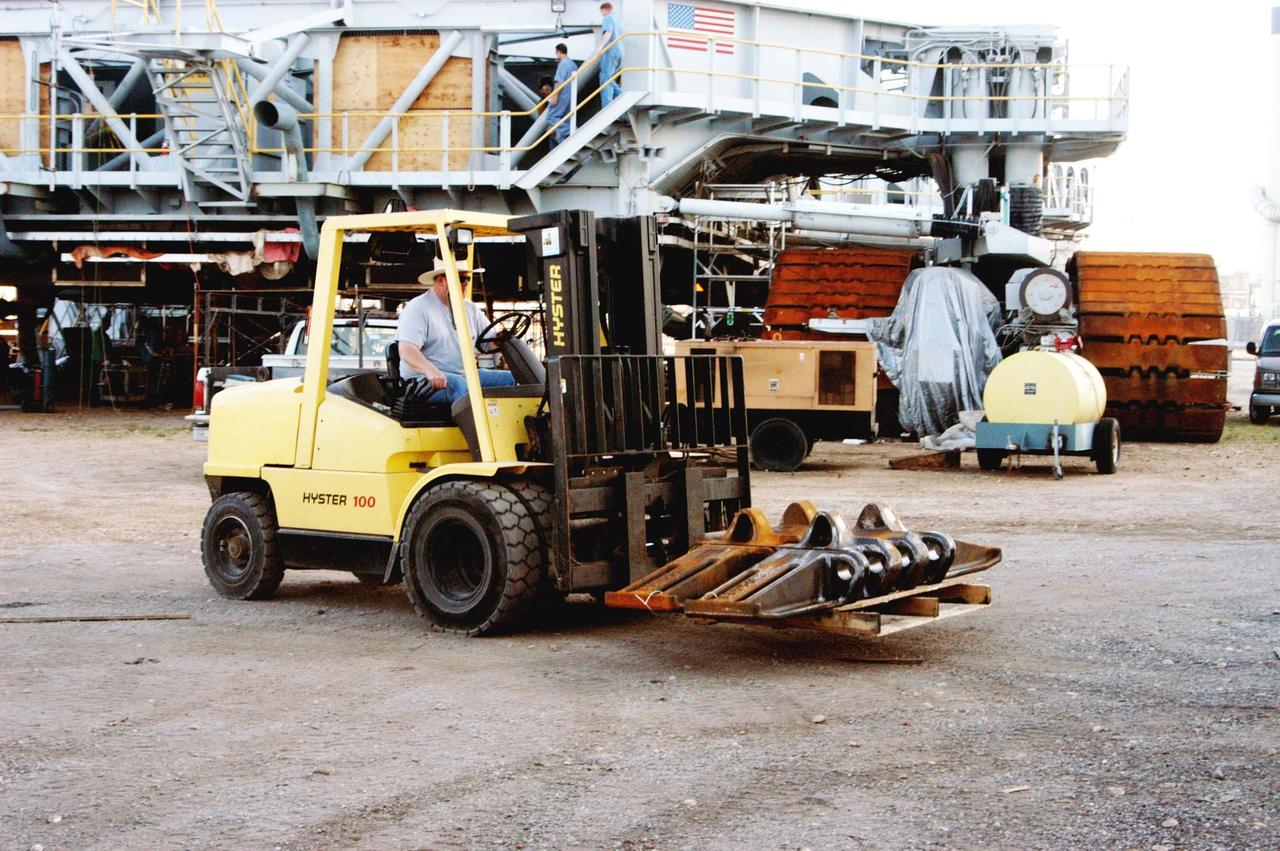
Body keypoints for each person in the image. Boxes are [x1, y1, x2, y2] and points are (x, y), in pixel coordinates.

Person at [394, 258, 515, 404]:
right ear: (441, 280)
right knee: (460, 386)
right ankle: (475, 427)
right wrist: (431, 371)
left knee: (514, 379)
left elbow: (489, 342)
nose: (466, 283)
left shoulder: (469, 308)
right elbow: (407, 350)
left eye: (468, 278)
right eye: (461, 279)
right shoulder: (418, 308)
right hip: (423, 382)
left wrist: (503, 339)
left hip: (464, 375)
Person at [594, 2, 623, 107]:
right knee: (609, 78)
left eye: (602, 12)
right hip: (619, 52)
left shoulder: (608, 19)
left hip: (610, 52)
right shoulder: (619, 20)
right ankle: (612, 101)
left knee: (605, 78)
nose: (602, 14)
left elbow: (608, 32)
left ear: (606, 9)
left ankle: (609, 104)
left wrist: (601, 47)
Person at [547, 43, 577, 144]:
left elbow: (560, 81)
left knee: (552, 117)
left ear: (559, 52)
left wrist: (555, 95)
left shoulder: (563, 64)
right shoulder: (573, 65)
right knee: (566, 118)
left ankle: (572, 130)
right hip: (570, 96)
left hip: (562, 95)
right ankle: (567, 141)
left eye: (556, 53)